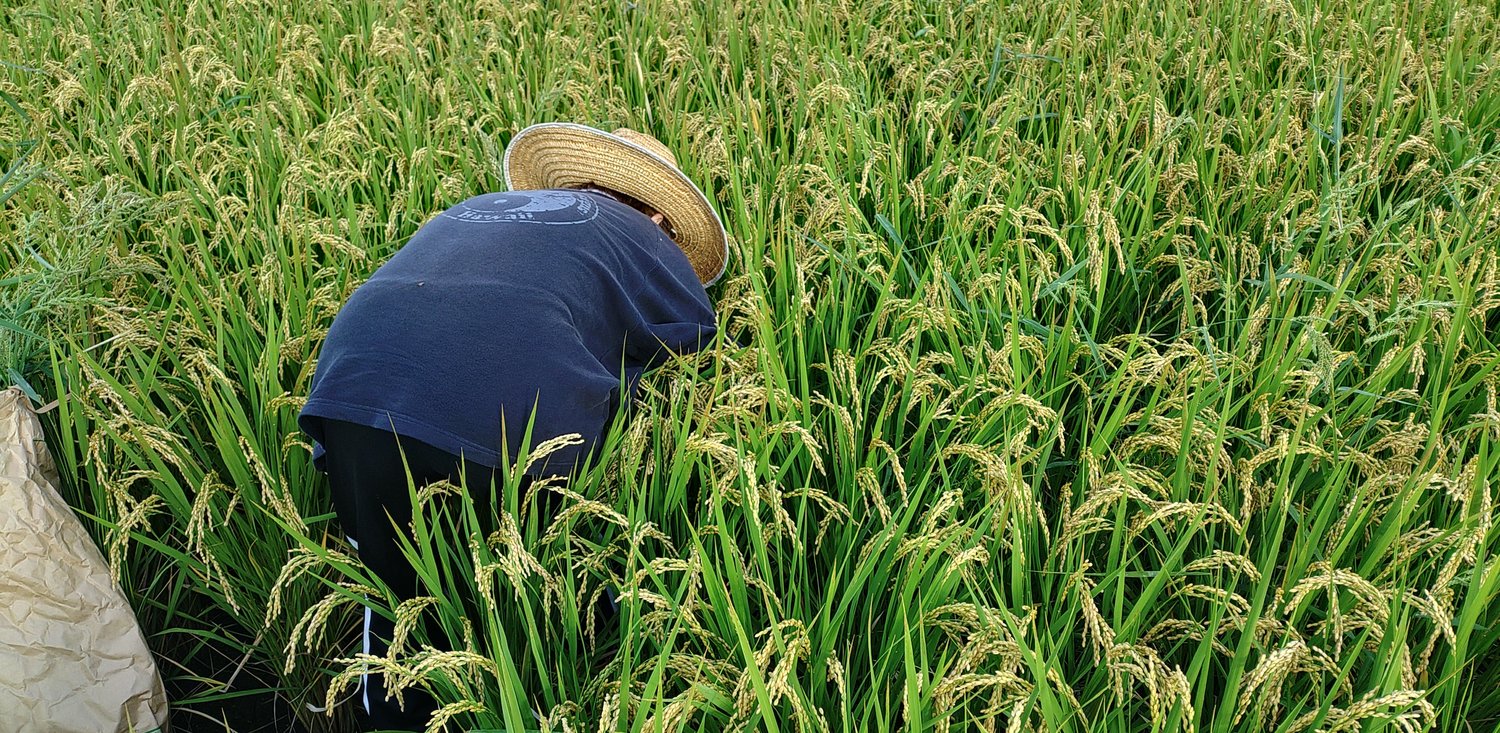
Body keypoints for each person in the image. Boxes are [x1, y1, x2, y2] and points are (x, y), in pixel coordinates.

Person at [297, 123, 728, 730]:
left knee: (398, 600)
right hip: (506, 413)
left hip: (350, 388)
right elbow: (694, 338)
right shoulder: (644, 236)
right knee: (555, 610)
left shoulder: (478, 208)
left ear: (572, 184)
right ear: (659, 216)